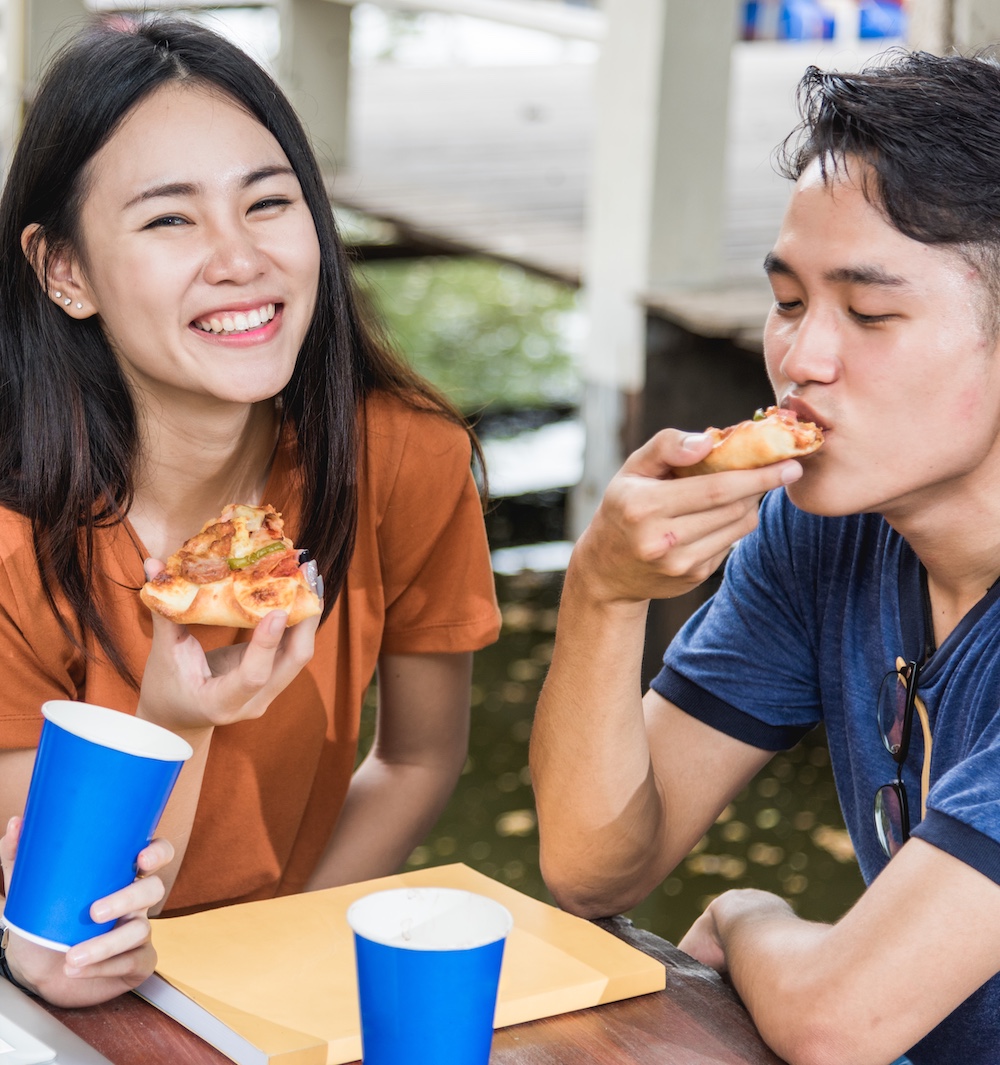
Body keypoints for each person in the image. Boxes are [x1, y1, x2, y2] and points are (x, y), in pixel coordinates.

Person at [0, 17, 500, 1008]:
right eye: (169, 220)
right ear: (65, 271)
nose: (239, 259)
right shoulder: (15, 538)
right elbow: (62, 945)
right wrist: (178, 718)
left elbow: (416, 755)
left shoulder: (405, 459)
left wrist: (285, 950)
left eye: (268, 203)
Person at [530, 50, 1000, 1065]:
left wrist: (745, 917)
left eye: (868, 314)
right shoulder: (825, 530)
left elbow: (839, 1019)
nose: (800, 361)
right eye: (788, 303)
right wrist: (603, 590)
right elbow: (597, 868)